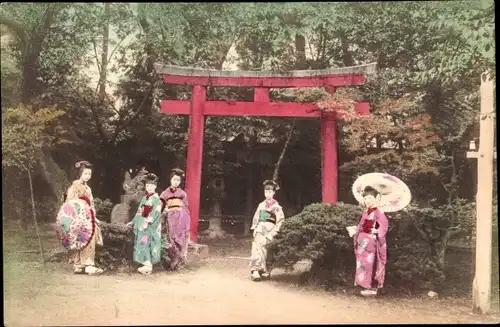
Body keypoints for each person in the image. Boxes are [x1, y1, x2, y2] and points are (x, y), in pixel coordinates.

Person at [56, 160, 103, 275]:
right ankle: (82, 264)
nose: (87, 176)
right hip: (78, 218)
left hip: (88, 217)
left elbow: (91, 205)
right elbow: (70, 203)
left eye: (89, 174)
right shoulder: (74, 187)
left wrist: (94, 217)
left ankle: (85, 264)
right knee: (82, 238)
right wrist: (79, 215)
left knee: (88, 238)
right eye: (85, 174)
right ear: (80, 174)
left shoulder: (88, 188)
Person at [349, 186, 389, 296]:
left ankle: (372, 287)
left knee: (371, 262)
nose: (367, 200)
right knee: (362, 263)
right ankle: (363, 285)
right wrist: (355, 230)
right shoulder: (366, 212)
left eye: (370, 197)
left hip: (372, 241)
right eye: (365, 198)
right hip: (362, 241)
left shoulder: (379, 211)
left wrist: (377, 230)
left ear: (376, 198)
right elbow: (361, 225)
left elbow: (383, 226)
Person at [127, 173, 165, 275]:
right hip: (142, 224)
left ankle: (148, 265)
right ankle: (146, 264)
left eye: (152, 185)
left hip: (149, 225)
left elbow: (156, 212)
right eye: (148, 185)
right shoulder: (145, 198)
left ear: (155, 186)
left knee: (146, 243)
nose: (149, 187)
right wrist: (133, 221)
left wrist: (148, 221)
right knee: (141, 243)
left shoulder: (156, 199)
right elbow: (139, 211)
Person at [249, 180, 285, 281]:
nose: (268, 193)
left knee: (267, 248)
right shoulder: (261, 205)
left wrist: (274, 233)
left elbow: (280, 221)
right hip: (260, 228)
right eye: (266, 191)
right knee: (256, 246)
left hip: (271, 230)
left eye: (270, 191)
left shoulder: (277, 207)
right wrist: (255, 227)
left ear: (274, 193)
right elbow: (256, 217)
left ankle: (266, 270)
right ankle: (255, 270)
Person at [159, 168, 191, 270]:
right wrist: (165, 212)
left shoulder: (182, 194)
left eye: (178, 180)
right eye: (174, 180)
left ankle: (179, 262)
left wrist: (183, 217)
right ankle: (172, 260)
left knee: (180, 238)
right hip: (169, 218)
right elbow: (160, 207)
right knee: (170, 238)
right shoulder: (165, 193)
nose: (176, 182)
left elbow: (186, 208)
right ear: (170, 180)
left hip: (181, 218)